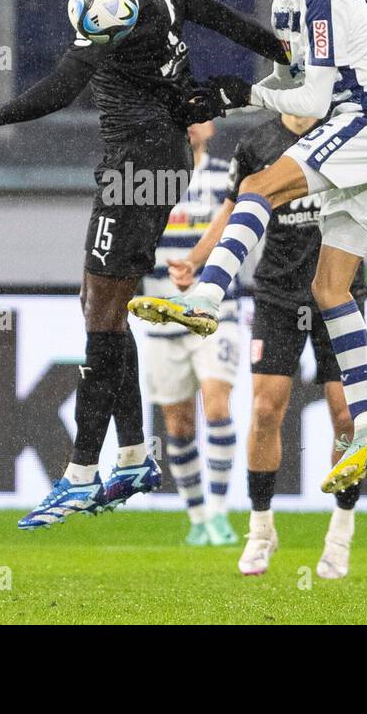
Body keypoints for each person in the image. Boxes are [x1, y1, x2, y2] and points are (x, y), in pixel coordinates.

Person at [0, 0, 289, 530]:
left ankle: (79, 473)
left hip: (137, 162)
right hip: (159, 157)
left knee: (100, 311)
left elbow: (66, 85)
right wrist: (290, 53)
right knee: (104, 304)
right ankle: (131, 456)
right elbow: (230, 22)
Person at [129, 0, 367, 496]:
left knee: (260, 184)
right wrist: (231, 96)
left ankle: (206, 301)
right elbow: (289, 80)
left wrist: (244, 96)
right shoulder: (290, 4)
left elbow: (311, 102)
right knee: (331, 286)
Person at [170, 112, 367, 577]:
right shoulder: (259, 142)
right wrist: (198, 262)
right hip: (277, 293)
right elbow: (234, 210)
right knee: (265, 410)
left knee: (346, 415)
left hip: (338, 292)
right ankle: (261, 530)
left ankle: (341, 532)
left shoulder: (350, 128)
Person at [143, 120, 240, 547]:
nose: (188, 122)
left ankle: (219, 512)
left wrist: (199, 266)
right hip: (161, 316)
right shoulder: (147, 177)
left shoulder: (227, 176)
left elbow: (241, 230)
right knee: (178, 425)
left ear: (212, 126)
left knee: (217, 405)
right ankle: (198, 516)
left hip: (215, 311)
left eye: (197, 114)